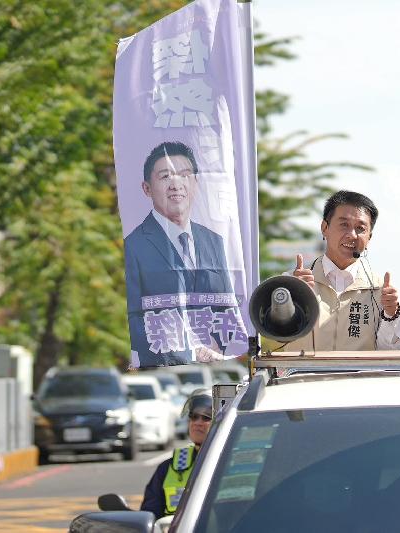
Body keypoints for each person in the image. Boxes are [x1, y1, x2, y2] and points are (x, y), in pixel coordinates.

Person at [125, 141, 238, 367]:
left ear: (196, 183)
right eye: (165, 176)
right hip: (161, 370)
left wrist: (219, 347)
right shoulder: (133, 244)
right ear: (147, 188)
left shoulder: (214, 241)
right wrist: (187, 351)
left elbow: (227, 306)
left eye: (185, 175)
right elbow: (130, 315)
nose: (176, 184)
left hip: (216, 368)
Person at [283, 190, 400, 351]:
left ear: (369, 238)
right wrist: (291, 300)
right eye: (344, 225)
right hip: (300, 376)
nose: (352, 235)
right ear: (325, 228)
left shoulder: (381, 290)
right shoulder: (291, 283)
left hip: (358, 377)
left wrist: (390, 314)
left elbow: (389, 351)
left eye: (360, 228)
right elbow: (271, 341)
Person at [141, 388, 213, 519]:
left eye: (206, 417)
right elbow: (150, 515)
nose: (197, 423)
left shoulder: (234, 463)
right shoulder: (168, 468)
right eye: (194, 416)